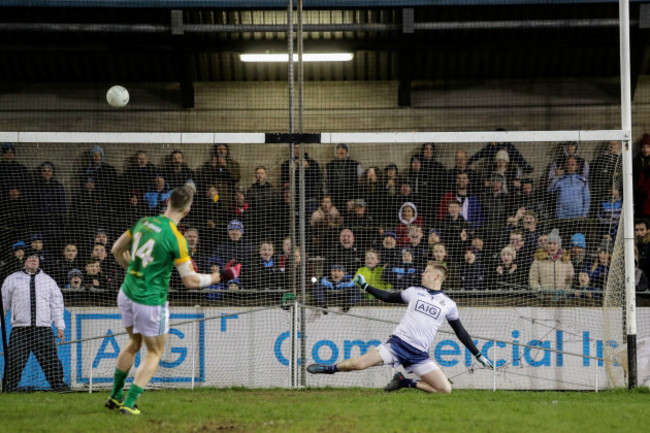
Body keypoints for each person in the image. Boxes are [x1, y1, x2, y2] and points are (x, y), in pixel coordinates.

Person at [105, 186, 221, 415]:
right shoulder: (176, 239)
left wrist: (131, 268)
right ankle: (129, 404)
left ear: (167, 201)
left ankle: (115, 396)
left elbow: (116, 249)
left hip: (127, 293)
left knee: (133, 343)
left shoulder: (143, 222)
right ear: (187, 211)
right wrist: (219, 276)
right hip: (150, 302)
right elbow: (189, 281)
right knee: (154, 353)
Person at [307, 262, 493, 393]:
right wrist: (365, 286)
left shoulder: (449, 304)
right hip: (397, 345)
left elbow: (460, 332)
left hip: (419, 355)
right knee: (358, 364)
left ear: (436, 276)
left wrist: (478, 355)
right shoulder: (414, 292)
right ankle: (329, 368)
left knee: (445, 389)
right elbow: (388, 297)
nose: (422, 273)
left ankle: (404, 382)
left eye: (426, 271)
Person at [1, 251, 69, 392]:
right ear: (24, 261)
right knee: (15, 361)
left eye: (36, 258)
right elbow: (3, 304)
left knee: (51, 361)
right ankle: (8, 388)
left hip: (43, 329)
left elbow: (57, 304)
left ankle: (60, 386)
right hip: (20, 329)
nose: (34, 260)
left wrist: (60, 326)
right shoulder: (12, 279)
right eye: (31, 257)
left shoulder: (48, 281)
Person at [325, 143, 363, 212]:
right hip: (334, 199)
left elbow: (360, 184)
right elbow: (326, 183)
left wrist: (355, 199)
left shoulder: (355, 165)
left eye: (343, 150)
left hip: (351, 199)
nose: (341, 151)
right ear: (336, 152)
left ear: (347, 152)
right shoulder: (329, 166)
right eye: (339, 149)